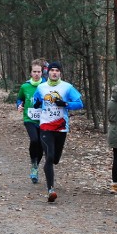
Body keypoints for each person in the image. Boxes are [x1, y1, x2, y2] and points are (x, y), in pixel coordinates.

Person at [32, 61, 84, 202]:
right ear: (47, 72)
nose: (54, 72)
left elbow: (80, 103)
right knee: (49, 156)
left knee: (55, 159)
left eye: (57, 70)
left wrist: (66, 104)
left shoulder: (67, 87)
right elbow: (35, 100)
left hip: (61, 127)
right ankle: (51, 190)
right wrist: (36, 103)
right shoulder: (41, 87)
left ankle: (51, 167)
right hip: (45, 126)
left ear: (60, 72)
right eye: (52, 70)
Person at [16, 59, 47, 183]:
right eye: (34, 71)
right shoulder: (25, 86)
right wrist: (19, 105)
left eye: (39, 71)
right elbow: (19, 99)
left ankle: (35, 166)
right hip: (29, 119)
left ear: (42, 72)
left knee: (41, 144)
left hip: (44, 120)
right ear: (30, 73)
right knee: (34, 140)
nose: (36, 74)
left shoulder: (46, 85)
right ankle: (33, 162)